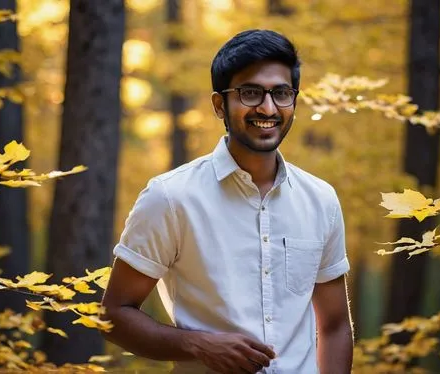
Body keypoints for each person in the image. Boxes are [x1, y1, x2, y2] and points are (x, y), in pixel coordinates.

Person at [102, 29, 353, 374]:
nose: (268, 108)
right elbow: (114, 315)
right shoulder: (171, 198)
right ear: (220, 105)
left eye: (281, 93)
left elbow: (335, 324)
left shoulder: (320, 199)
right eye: (250, 93)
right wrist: (197, 345)